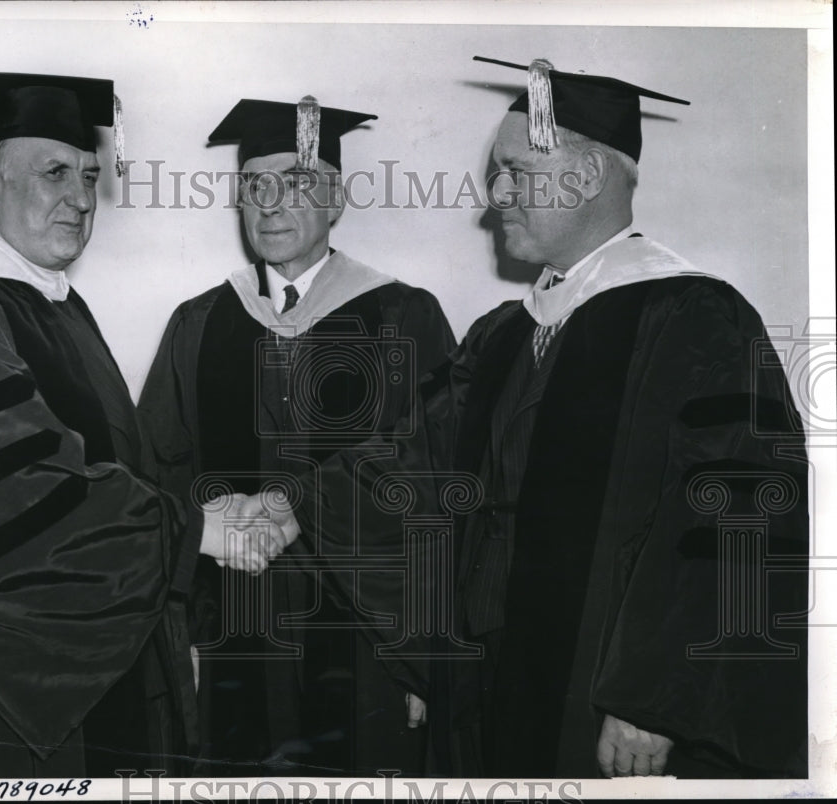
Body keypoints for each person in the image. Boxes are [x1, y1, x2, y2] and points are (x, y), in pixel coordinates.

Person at [295, 58, 809, 778]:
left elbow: (738, 517)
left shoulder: (694, 319)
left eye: (515, 171)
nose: (494, 197)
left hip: (606, 694)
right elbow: (412, 462)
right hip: (490, 674)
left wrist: (653, 698)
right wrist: (291, 507)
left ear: (589, 175)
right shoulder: (507, 332)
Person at [0, 71, 286, 779]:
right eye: (55, 173)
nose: (83, 199)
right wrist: (192, 530)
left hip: (87, 666)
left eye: (90, 176)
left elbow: (116, 475)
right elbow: (15, 502)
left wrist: (202, 514)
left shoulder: (55, 304)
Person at [137, 96, 456, 776]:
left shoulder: (403, 316)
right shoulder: (199, 325)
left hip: (368, 646)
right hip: (230, 641)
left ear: (336, 198)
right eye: (255, 185)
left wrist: (423, 659)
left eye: (298, 182)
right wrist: (180, 638)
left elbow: (435, 487)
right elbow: (158, 476)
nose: (272, 204)